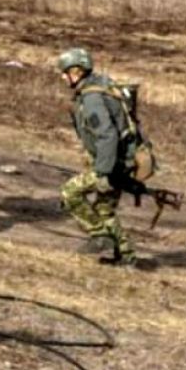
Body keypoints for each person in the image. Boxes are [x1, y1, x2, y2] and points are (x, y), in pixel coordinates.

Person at [55, 48, 139, 266]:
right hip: (122, 161)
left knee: (69, 192)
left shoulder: (92, 98)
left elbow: (107, 135)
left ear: (77, 71)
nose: (63, 77)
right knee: (104, 210)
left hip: (112, 165)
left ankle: (99, 236)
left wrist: (102, 173)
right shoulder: (102, 85)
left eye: (66, 72)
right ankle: (126, 257)